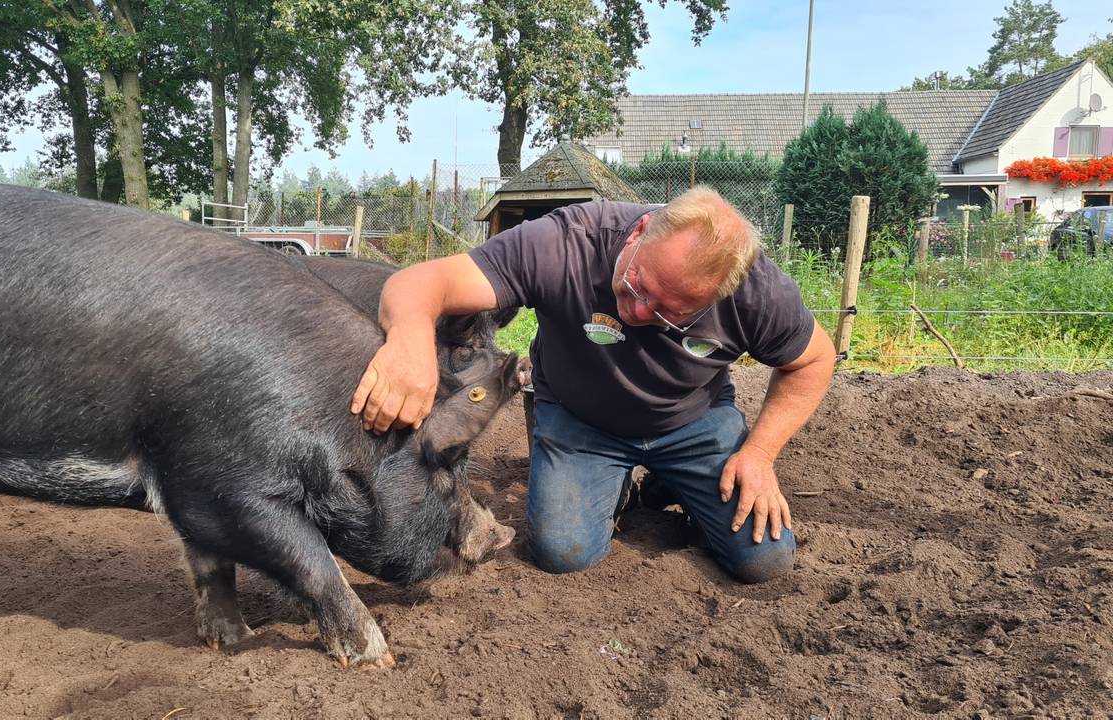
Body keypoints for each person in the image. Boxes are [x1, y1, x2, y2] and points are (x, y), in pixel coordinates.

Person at [350, 187, 835, 583]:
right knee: (564, 553)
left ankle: (677, 483)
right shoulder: (567, 241)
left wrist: (759, 454)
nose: (643, 313)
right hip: (583, 421)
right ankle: (621, 486)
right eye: (641, 285)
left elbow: (815, 360)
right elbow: (420, 282)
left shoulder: (756, 291)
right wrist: (410, 342)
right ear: (640, 231)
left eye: (672, 312)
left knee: (763, 559)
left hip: (693, 422)